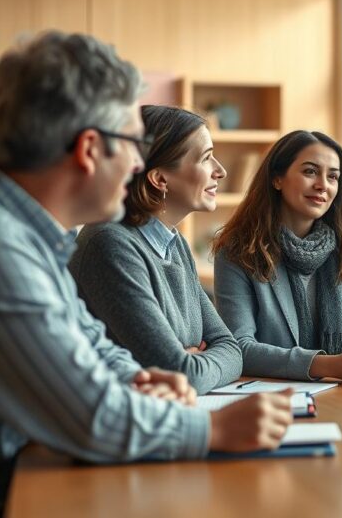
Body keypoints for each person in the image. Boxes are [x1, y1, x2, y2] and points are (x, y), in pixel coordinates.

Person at [0, 31, 292, 507]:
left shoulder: (26, 235)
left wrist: (137, 380)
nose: (139, 163)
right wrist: (214, 427)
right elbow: (89, 417)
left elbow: (90, 348)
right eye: (133, 144)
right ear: (89, 149)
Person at [69, 105, 243, 395]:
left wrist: (196, 364)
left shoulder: (176, 245)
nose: (220, 171)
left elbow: (233, 351)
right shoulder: (109, 244)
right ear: (160, 179)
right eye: (206, 158)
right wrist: (191, 365)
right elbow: (181, 374)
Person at [212, 130, 342, 382]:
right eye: (310, 171)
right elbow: (238, 348)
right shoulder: (238, 252)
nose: (322, 184)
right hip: (271, 398)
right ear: (277, 178)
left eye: (333, 177)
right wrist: (328, 366)